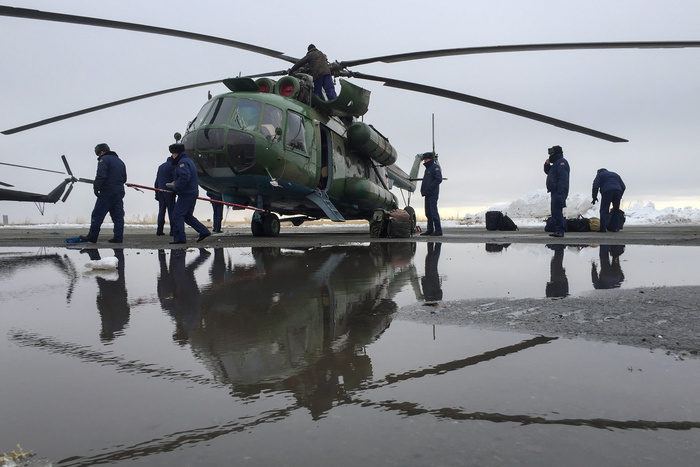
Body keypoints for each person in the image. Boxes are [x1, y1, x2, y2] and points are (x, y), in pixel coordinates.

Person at [80, 143, 127, 243]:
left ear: (101, 152)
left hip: (107, 191)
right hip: (119, 192)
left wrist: (96, 187)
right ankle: (118, 237)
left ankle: (92, 236)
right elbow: (124, 178)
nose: (98, 156)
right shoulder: (120, 161)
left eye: (98, 154)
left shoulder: (103, 160)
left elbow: (101, 175)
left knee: (97, 214)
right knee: (118, 216)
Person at [167, 143, 211, 245]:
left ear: (177, 153)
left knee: (177, 215)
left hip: (186, 194)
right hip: (192, 192)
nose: (172, 156)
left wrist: (176, 187)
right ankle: (203, 231)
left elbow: (185, 177)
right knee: (187, 216)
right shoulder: (189, 161)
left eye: (173, 153)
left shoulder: (182, 163)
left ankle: (180, 238)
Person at [543, 145, 570, 238]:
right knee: (555, 211)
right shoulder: (556, 164)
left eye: (551, 154)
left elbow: (563, 177)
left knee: (557, 210)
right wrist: (547, 165)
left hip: (559, 191)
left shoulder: (562, 163)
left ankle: (560, 230)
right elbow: (549, 172)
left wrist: (560, 190)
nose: (549, 156)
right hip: (555, 191)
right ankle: (557, 230)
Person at [591, 168, 626, 232]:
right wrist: (619, 196)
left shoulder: (600, 175)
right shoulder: (615, 174)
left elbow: (595, 186)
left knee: (604, 209)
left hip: (607, 191)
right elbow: (623, 186)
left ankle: (603, 228)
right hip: (618, 190)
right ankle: (614, 228)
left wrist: (594, 197)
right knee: (616, 210)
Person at [419, 152, 443, 236]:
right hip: (428, 193)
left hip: (432, 193)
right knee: (428, 212)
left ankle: (438, 230)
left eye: (426, 159)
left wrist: (430, 187)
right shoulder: (428, 168)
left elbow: (438, 179)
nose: (425, 161)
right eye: (424, 159)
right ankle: (430, 229)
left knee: (433, 212)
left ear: (430, 159)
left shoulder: (435, 167)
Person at [155, 157, 176, 236]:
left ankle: (159, 230)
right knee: (171, 211)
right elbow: (174, 179)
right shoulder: (173, 166)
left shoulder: (160, 167)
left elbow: (156, 181)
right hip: (169, 191)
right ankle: (173, 231)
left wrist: (156, 193)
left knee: (161, 211)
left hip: (160, 191)